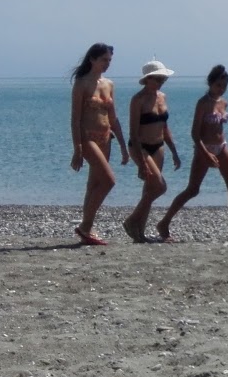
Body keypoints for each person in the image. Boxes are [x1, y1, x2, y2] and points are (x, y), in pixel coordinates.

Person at [155, 65, 228, 242]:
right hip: (204, 147)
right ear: (210, 83)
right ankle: (164, 222)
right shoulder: (203, 103)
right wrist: (205, 153)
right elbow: (195, 133)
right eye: (218, 85)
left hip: (222, 146)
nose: (221, 88)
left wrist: (219, 149)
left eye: (224, 85)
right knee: (193, 189)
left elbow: (219, 127)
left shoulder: (223, 102)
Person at [69, 43, 129, 246]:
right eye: (104, 59)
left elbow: (113, 118)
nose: (107, 64)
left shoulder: (109, 84)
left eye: (109, 61)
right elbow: (75, 118)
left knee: (94, 184)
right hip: (87, 137)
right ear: (92, 59)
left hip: (106, 138)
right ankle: (85, 226)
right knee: (108, 181)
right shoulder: (82, 83)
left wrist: (122, 144)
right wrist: (77, 147)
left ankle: (87, 229)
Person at [123, 60, 182, 242]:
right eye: (158, 78)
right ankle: (132, 220)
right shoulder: (138, 99)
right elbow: (133, 131)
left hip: (159, 146)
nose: (161, 82)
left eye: (163, 79)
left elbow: (164, 126)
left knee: (149, 190)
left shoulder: (162, 97)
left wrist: (174, 151)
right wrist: (141, 162)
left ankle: (139, 233)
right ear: (148, 79)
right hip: (140, 146)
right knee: (160, 186)